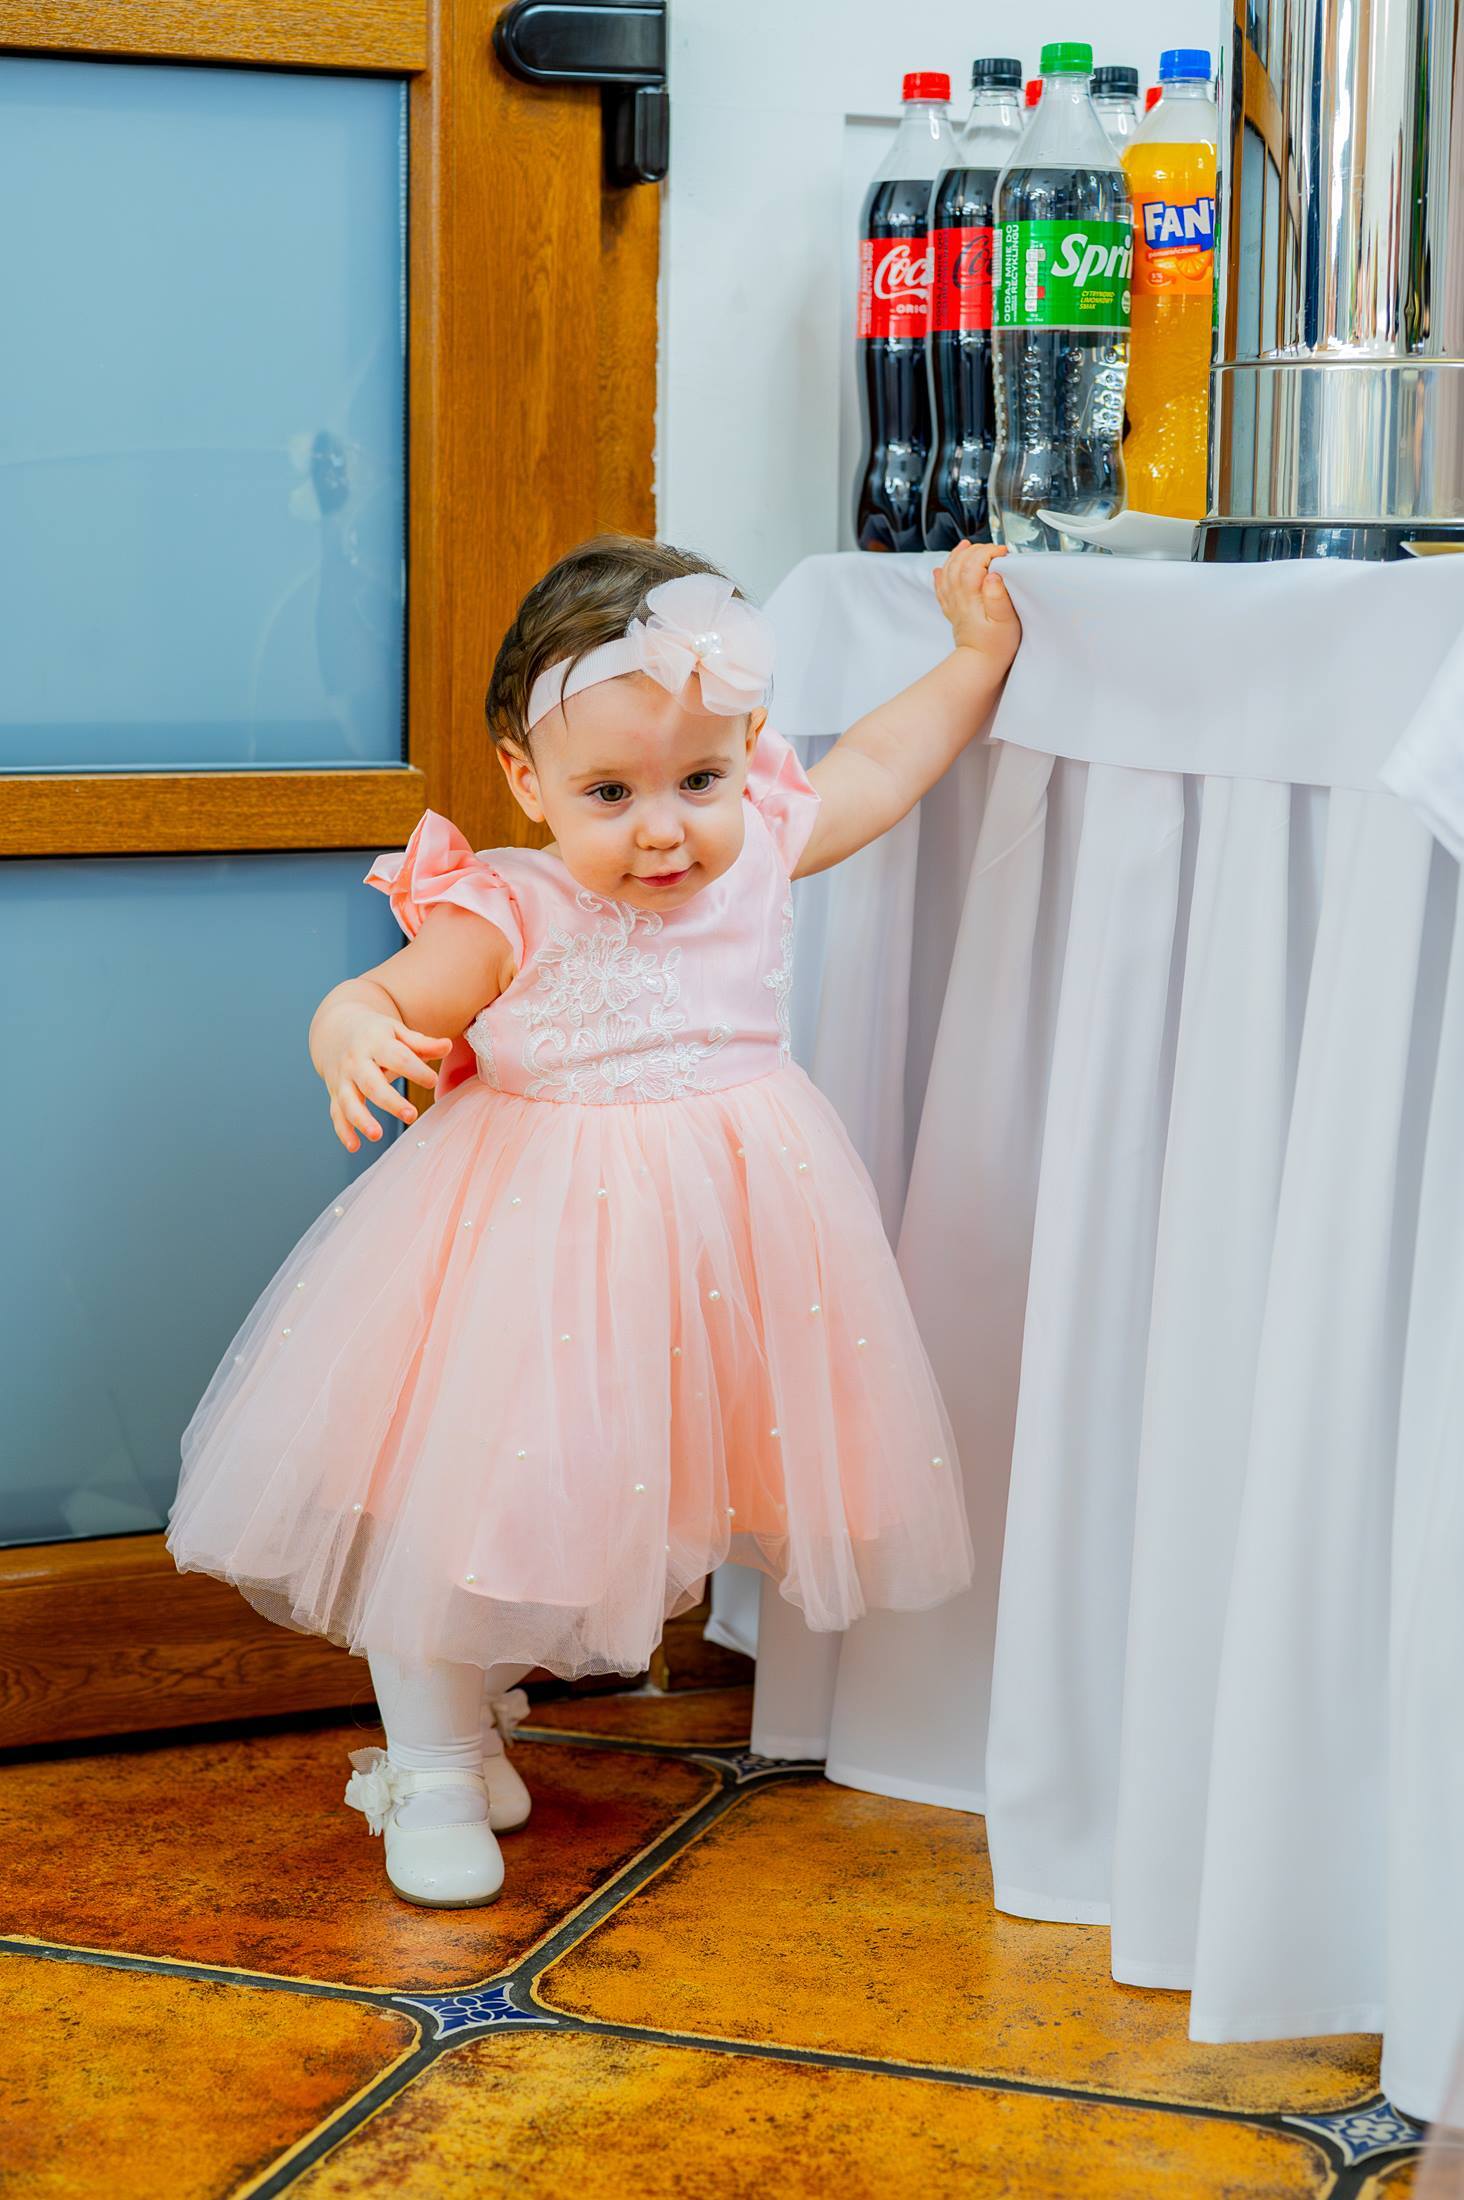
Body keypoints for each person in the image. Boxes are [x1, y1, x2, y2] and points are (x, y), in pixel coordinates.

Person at [165, 533, 1020, 1908]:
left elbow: (878, 763)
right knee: (463, 1510)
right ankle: (429, 1762)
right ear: (529, 782)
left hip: (718, 1247)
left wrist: (975, 659)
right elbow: (382, 997)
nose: (664, 830)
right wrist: (352, 1035)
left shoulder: (758, 850)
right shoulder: (518, 902)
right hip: (530, 1245)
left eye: (700, 781)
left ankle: (472, 1719)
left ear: (748, 752)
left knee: (605, 1506)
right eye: (610, 793)